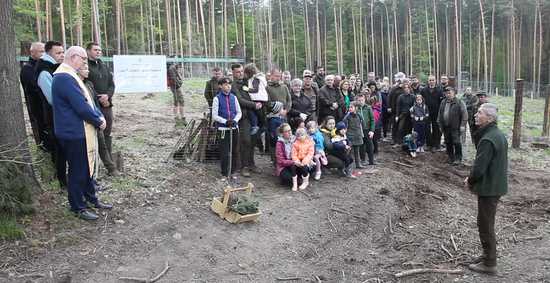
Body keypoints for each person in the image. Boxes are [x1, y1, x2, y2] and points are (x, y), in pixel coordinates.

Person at [52, 46, 112, 221]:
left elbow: (88, 101)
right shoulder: (64, 77)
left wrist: (97, 115)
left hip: (80, 130)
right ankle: (78, 206)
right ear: (74, 57)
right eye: (83, 59)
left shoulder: (69, 75)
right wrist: (99, 120)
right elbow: (80, 105)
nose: (85, 62)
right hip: (73, 131)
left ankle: (91, 199)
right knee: (79, 170)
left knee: (87, 168)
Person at [465, 103, 508, 275]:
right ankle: (486, 255)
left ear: (489, 118)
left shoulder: (488, 138)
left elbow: (479, 168)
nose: (475, 115)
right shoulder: (496, 134)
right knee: (485, 223)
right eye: (476, 112)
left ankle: (489, 264)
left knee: (485, 225)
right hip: (494, 186)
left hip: (490, 188)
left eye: (480, 113)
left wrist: (470, 180)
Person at [78, 61, 120, 177]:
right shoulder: (76, 85)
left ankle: (111, 168)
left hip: (96, 116)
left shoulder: (89, 84)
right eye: (85, 69)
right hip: (85, 121)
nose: (88, 71)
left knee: (102, 143)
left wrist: (99, 116)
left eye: (87, 68)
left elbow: (95, 102)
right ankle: (91, 174)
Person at [36, 41, 66, 189]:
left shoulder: (55, 67)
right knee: (59, 151)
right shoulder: (44, 71)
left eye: (62, 52)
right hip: (53, 117)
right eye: (58, 53)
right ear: (48, 53)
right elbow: (53, 99)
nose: (61, 55)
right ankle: (63, 182)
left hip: (60, 116)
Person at [86, 42, 117, 170]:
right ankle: (98, 164)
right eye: (95, 50)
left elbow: (112, 84)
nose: (98, 52)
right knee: (97, 135)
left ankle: (109, 160)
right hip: (94, 106)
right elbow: (86, 85)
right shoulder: (85, 66)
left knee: (107, 134)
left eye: (99, 50)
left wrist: (107, 96)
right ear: (88, 51)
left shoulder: (104, 66)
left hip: (107, 105)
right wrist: (100, 98)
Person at [232, 64, 262, 177]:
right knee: (245, 140)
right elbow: (240, 100)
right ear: (233, 73)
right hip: (243, 116)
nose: (240, 73)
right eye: (238, 72)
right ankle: (244, 166)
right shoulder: (233, 85)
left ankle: (251, 163)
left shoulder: (246, 81)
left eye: (241, 71)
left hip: (253, 115)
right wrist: (254, 105)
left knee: (253, 140)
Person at [212, 78, 242, 179]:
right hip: (223, 130)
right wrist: (225, 121)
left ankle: (233, 172)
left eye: (229, 84)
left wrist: (235, 120)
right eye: (225, 84)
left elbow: (239, 112)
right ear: (220, 86)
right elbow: (215, 115)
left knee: (234, 151)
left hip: (234, 128)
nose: (228, 86)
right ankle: (224, 173)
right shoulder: (217, 98)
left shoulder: (234, 97)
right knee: (225, 152)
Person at [20, 42, 45, 146]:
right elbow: (35, 87)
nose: (43, 54)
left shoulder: (42, 66)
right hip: (36, 108)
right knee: (42, 137)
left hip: (45, 108)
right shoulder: (28, 68)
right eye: (41, 51)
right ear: (32, 52)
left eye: (44, 51)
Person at [438, 87, 468, 165]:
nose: (448, 95)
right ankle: (450, 157)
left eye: (449, 93)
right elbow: (440, 114)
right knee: (448, 142)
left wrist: (462, 125)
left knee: (457, 142)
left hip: (456, 127)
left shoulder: (459, 102)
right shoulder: (443, 102)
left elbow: (465, 115)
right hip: (446, 126)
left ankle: (458, 158)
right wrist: (440, 124)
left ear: (454, 93)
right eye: (446, 93)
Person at [275, 123, 306, 191]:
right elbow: (281, 161)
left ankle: (300, 178)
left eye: (290, 130)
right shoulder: (279, 143)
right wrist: (293, 162)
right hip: (284, 166)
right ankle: (292, 179)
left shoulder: (295, 139)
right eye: (286, 131)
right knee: (288, 178)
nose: (289, 132)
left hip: (294, 163)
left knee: (305, 167)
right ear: (282, 133)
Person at [421, 75, 445, 151]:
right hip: (426, 112)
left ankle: (436, 145)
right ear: (428, 81)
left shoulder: (440, 90)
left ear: (435, 81)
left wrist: (441, 113)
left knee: (436, 128)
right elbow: (420, 100)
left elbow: (442, 102)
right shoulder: (424, 90)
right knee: (427, 128)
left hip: (436, 112)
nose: (431, 81)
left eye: (433, 80)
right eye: (430, 80)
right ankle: (429, 144)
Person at [342, 102, 364, 169]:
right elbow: (344, 124)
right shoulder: (347, 116)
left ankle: (358, 163)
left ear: (356, 108)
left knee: (357, 151)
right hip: (350, 136)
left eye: (351, 107)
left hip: (357, 135)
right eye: (349, 107)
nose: (350, 108)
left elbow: (361, 124)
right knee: (349, 151)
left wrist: (361, 133)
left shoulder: (359, 115)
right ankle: (349, 164)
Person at [356, 94, 375, 166]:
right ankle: (363, 160)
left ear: (364, 100)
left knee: (370, 145)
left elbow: (372, 120)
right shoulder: (356, 109)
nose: (361, 102)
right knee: (361, 145)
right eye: (359, 100)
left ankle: (371, 160)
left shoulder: (368, 108)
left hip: (367, 129)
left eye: (362, 100)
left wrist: (372, 130)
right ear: (357, 101)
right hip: (359, 130)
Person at [387, 73, 406, 145]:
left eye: (401, 78)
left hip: (403, 110)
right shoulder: (393, 88)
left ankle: (400, 139)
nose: (400, 80)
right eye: (399, 78)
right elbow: (389, 97)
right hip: (394, 109)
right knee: (394, 125)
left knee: (402, 126)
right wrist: (389, 107)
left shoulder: (405, 88)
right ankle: (394, 139)